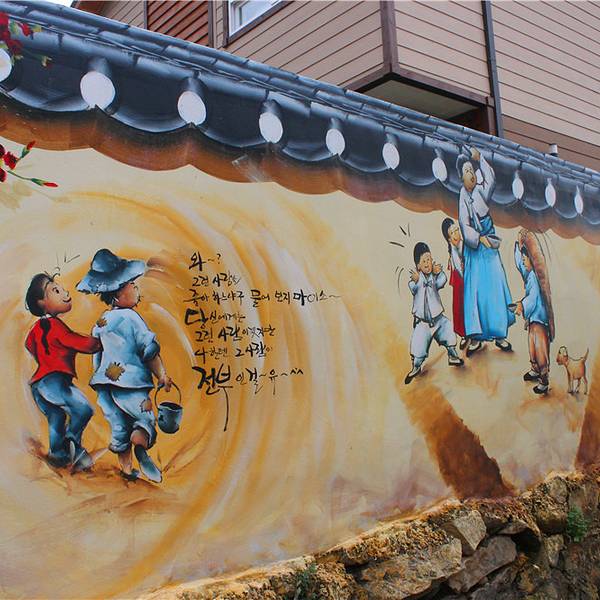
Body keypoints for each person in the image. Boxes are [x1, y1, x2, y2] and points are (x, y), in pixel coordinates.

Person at [77, 249, 173, 483]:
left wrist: (101, 379)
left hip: (106, 387)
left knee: (119, 428)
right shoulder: (132, 318)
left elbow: (97, 352)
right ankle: (140, 447)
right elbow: (149, 350)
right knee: (143, 421)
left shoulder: (101, 321)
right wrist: (162, 374)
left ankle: (128, 469)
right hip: (132, 385)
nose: (137, 288)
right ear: (118, 294)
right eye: (132, 285)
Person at [25, 273, 100, 469]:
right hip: (54, 383)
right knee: (83, 409)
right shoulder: (55, 326)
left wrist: (45, 358)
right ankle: (71, 442)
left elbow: (29, 344)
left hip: (38, 386)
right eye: (56, 291)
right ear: (42, 303)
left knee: (57, 418)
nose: (65, 293)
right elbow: (78, 342)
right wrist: (98, 342)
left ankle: (57, 455)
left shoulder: (36, 329)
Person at [457, 147, 515, 356]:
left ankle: (499, 334)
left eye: (472, 170)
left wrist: (480, 158)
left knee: (495, 286)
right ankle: (476, 336)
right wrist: (478, 238)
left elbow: (491, 180)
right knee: (475, 290)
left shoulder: (481, 191)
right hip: (475, 248)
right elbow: (464, 225)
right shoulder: (462, 197)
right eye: (466, 171)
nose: (471, 174)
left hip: (489, 244)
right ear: (461, 178)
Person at [405, 242, 464, 384]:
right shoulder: (415, 282)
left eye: (429, 259)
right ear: (418, 266)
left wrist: (439, 273)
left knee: (449, 331)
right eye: (424, 261)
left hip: (438, 319)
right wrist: (418, 280)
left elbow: (442, 281)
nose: (427, 263)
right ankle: (416, 366)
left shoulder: (434, 278)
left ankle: (452, 354)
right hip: (423, 323)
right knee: (418, 347)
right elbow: (412, 287)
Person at [513, 229, 554, 394]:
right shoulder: (529, 273)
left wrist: (522, 306)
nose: (523, 262)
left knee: (540, 348)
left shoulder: (535, 279)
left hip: (539, 321)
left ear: (531, 259)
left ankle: (544, 379)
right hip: (533, 320)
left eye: (525, 259)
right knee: (532, 346)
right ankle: (535, 370)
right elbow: (520, 265)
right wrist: (519, 246)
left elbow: (532, 297)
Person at [441, 217, 467, 350]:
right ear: (449, 239)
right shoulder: (452, 251)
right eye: (452, 233)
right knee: (459, 307)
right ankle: (464, 335)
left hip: (468, 280)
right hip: (459, 283)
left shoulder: (465, 245)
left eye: (457, 230)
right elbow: (458, 268)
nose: (456, 234)